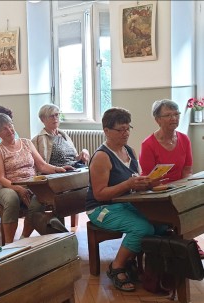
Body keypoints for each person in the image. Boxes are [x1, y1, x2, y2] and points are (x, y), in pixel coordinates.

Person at [87, 107, 164, 292]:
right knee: (143, 227)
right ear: (106, 131)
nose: (126, 133)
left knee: (161, 223)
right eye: (120, 129)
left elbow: (133, 183)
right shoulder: (102, 157)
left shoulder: (129, 151)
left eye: (128, 128)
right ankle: (117, 267)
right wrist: (128, 184)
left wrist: (149, 182)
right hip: (100, 209)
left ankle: (143, 265)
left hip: (124, 203)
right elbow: (99, 194)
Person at [0, 113, 72, 244]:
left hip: (32, 184)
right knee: (11, 200)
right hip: (8, 186)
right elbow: (1, 178)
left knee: (40, 200)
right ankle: (9, 244)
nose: (9, 130)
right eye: (4, 129)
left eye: (10, 126)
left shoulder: (27, 143)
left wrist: (58, 169)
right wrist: (17, 188)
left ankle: (23, 238)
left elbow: (42, 166)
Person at [139, 99, 204, 258]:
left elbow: (187, 169)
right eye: (168, 115)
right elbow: (149, 179)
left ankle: (187, 239)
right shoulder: (148, 144)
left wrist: (184, 189)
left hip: (179, 188)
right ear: (157, 119)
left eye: (176, 114)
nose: (174, 118)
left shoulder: (184, 139)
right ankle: (183, 242)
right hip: (157, 192)